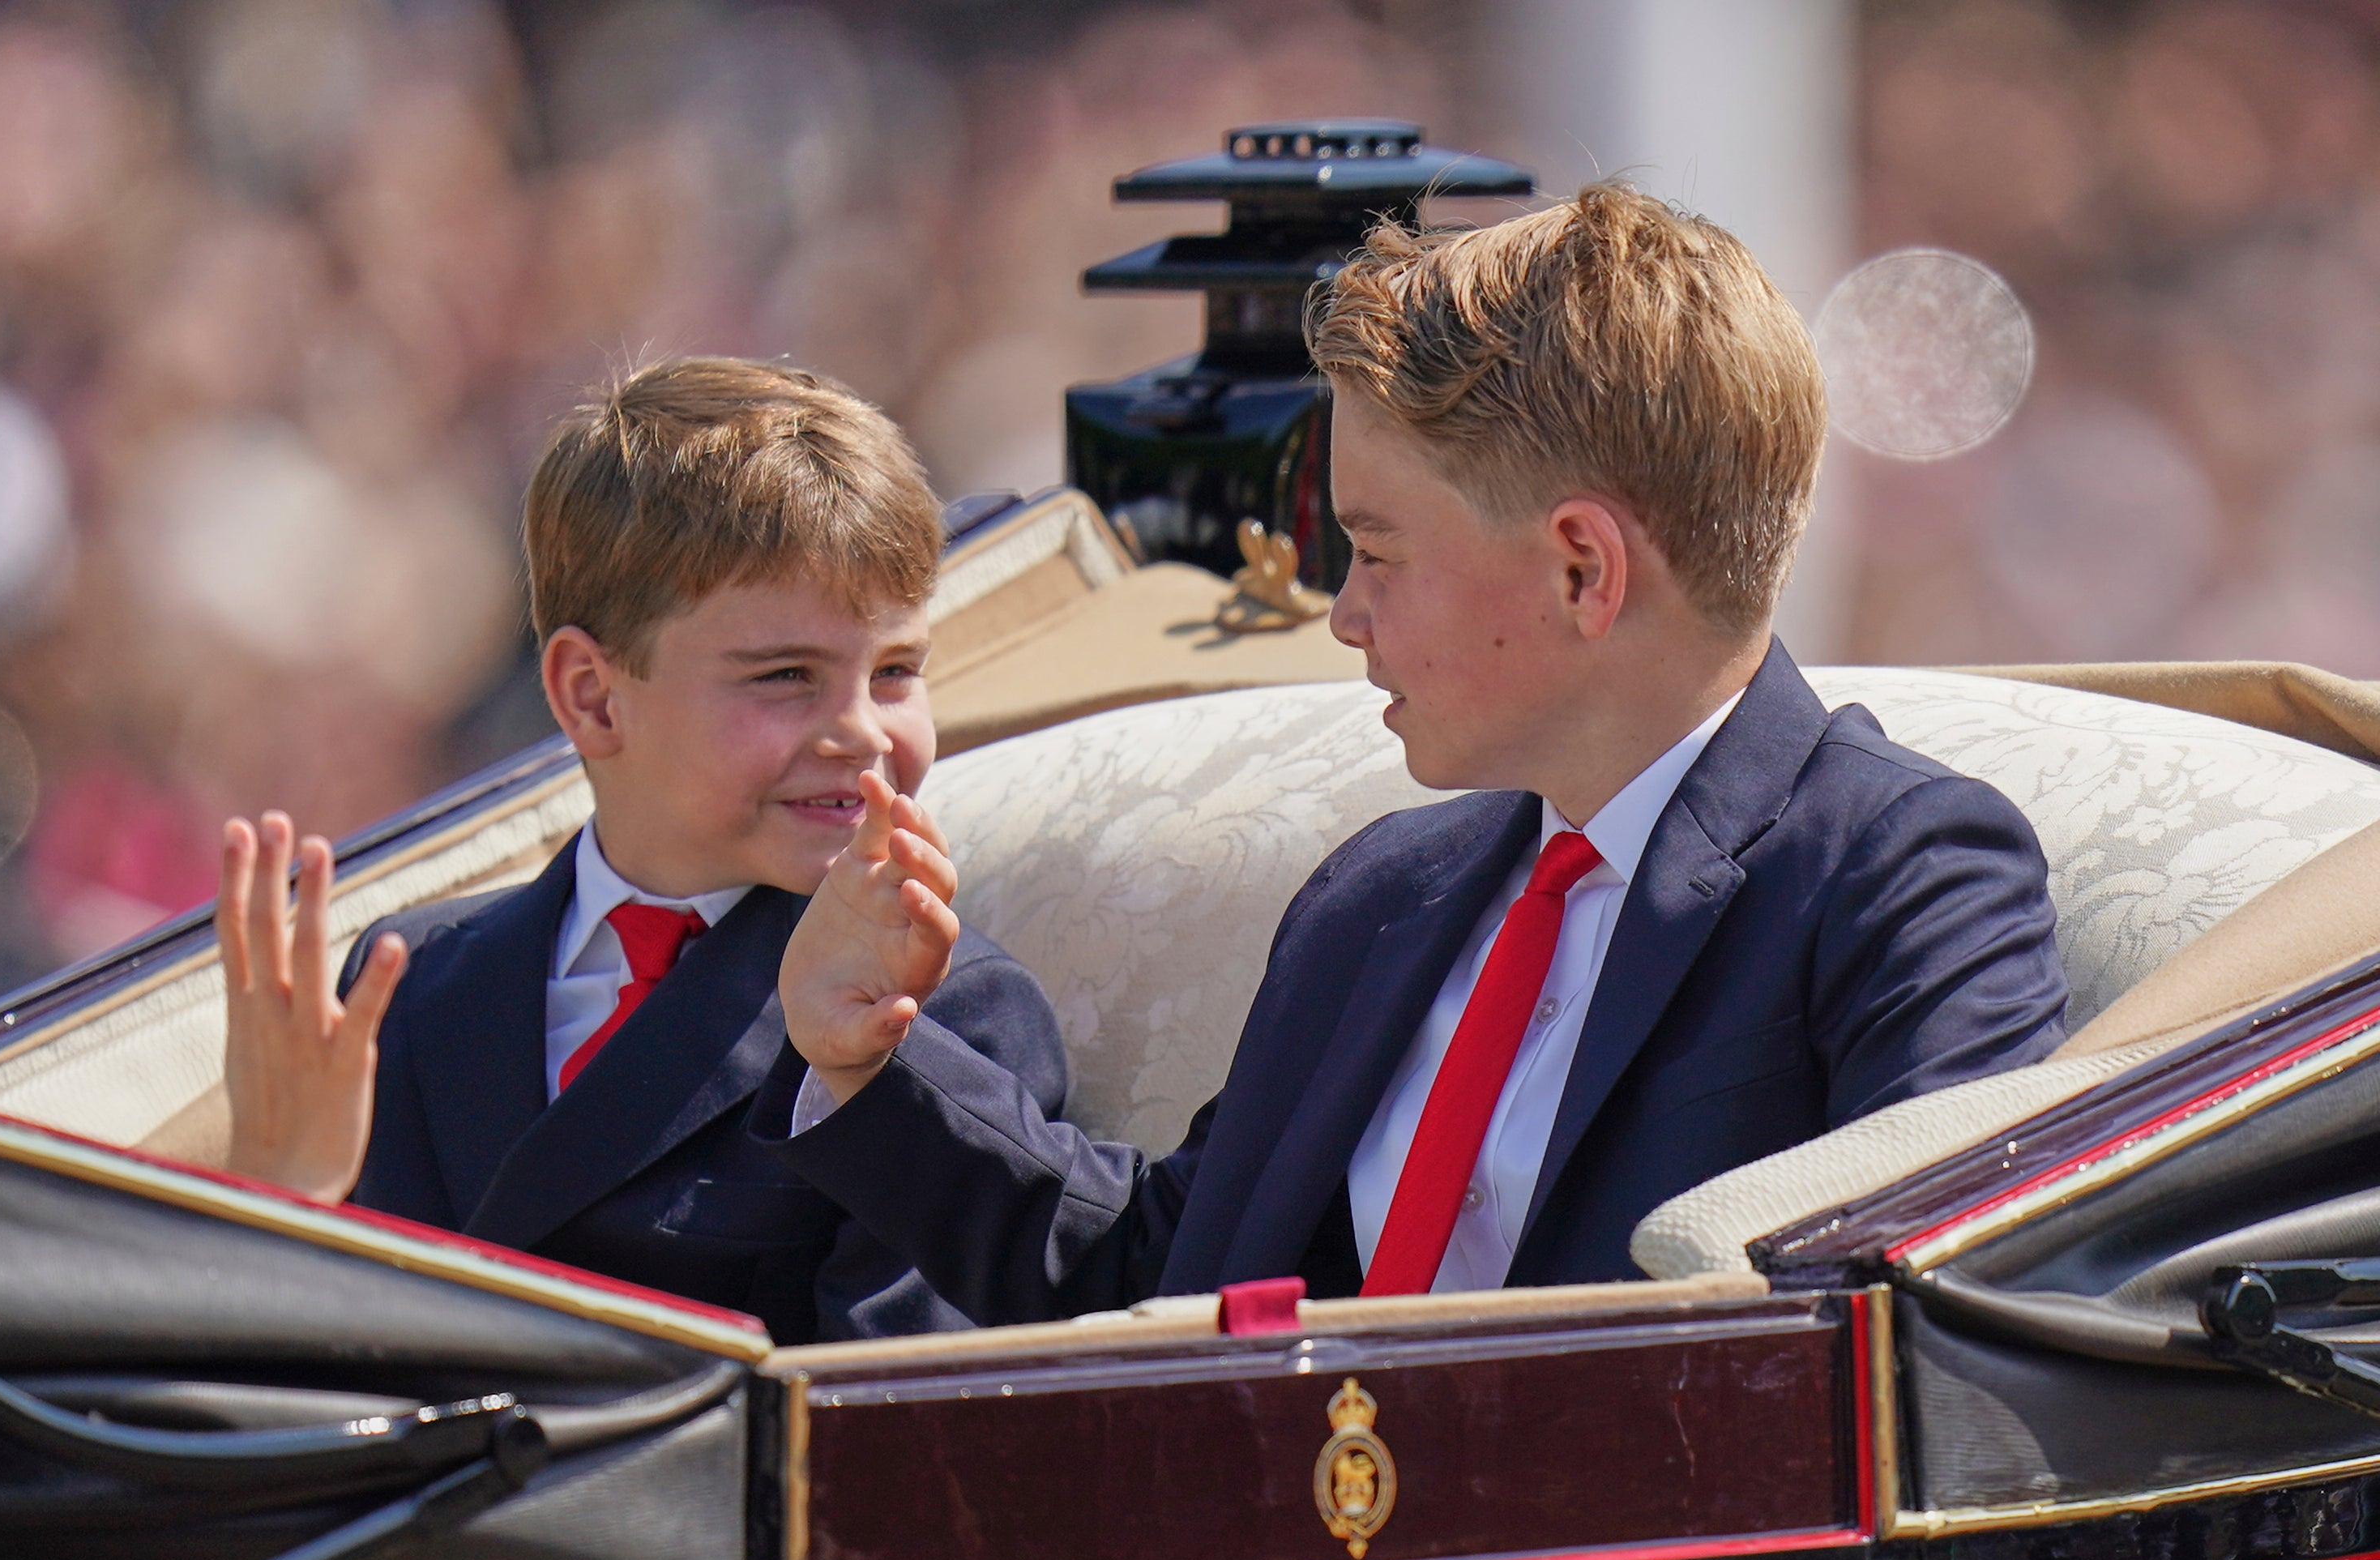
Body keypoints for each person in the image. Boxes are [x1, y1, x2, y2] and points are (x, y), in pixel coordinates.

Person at [758, 184, 2070, 1322]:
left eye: (1377, 552)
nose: (1342, 612)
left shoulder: (1901, 875)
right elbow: (1166, 1287)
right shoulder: (1383, 894)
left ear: (1580, 570)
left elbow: (1914, 1348)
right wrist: (872, 1058)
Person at [211, 357, 1068, 1344]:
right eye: (786, 675)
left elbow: (887, 1432)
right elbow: (301, 1401)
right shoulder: (407, 984)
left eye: (895, 671)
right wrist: (281, 1205)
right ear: (591, 694)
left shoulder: (942, 1016)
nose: (862, 732)